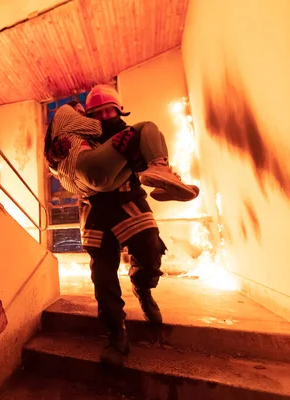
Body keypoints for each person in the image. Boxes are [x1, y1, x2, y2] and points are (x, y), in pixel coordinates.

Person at [43, 86, 197, 365]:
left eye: (108, 111)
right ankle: (116, 336)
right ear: (88, 116)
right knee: (103, 278)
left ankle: (143, 287)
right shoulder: (81, 136)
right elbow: (68, 170)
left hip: (129, 202)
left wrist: (136, 157)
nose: (104, 116)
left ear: (118, 111)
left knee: (150, 253)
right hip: (95, 210)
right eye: (97, 113)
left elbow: (142, 166)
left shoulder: (131, 135)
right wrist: (54, 157)